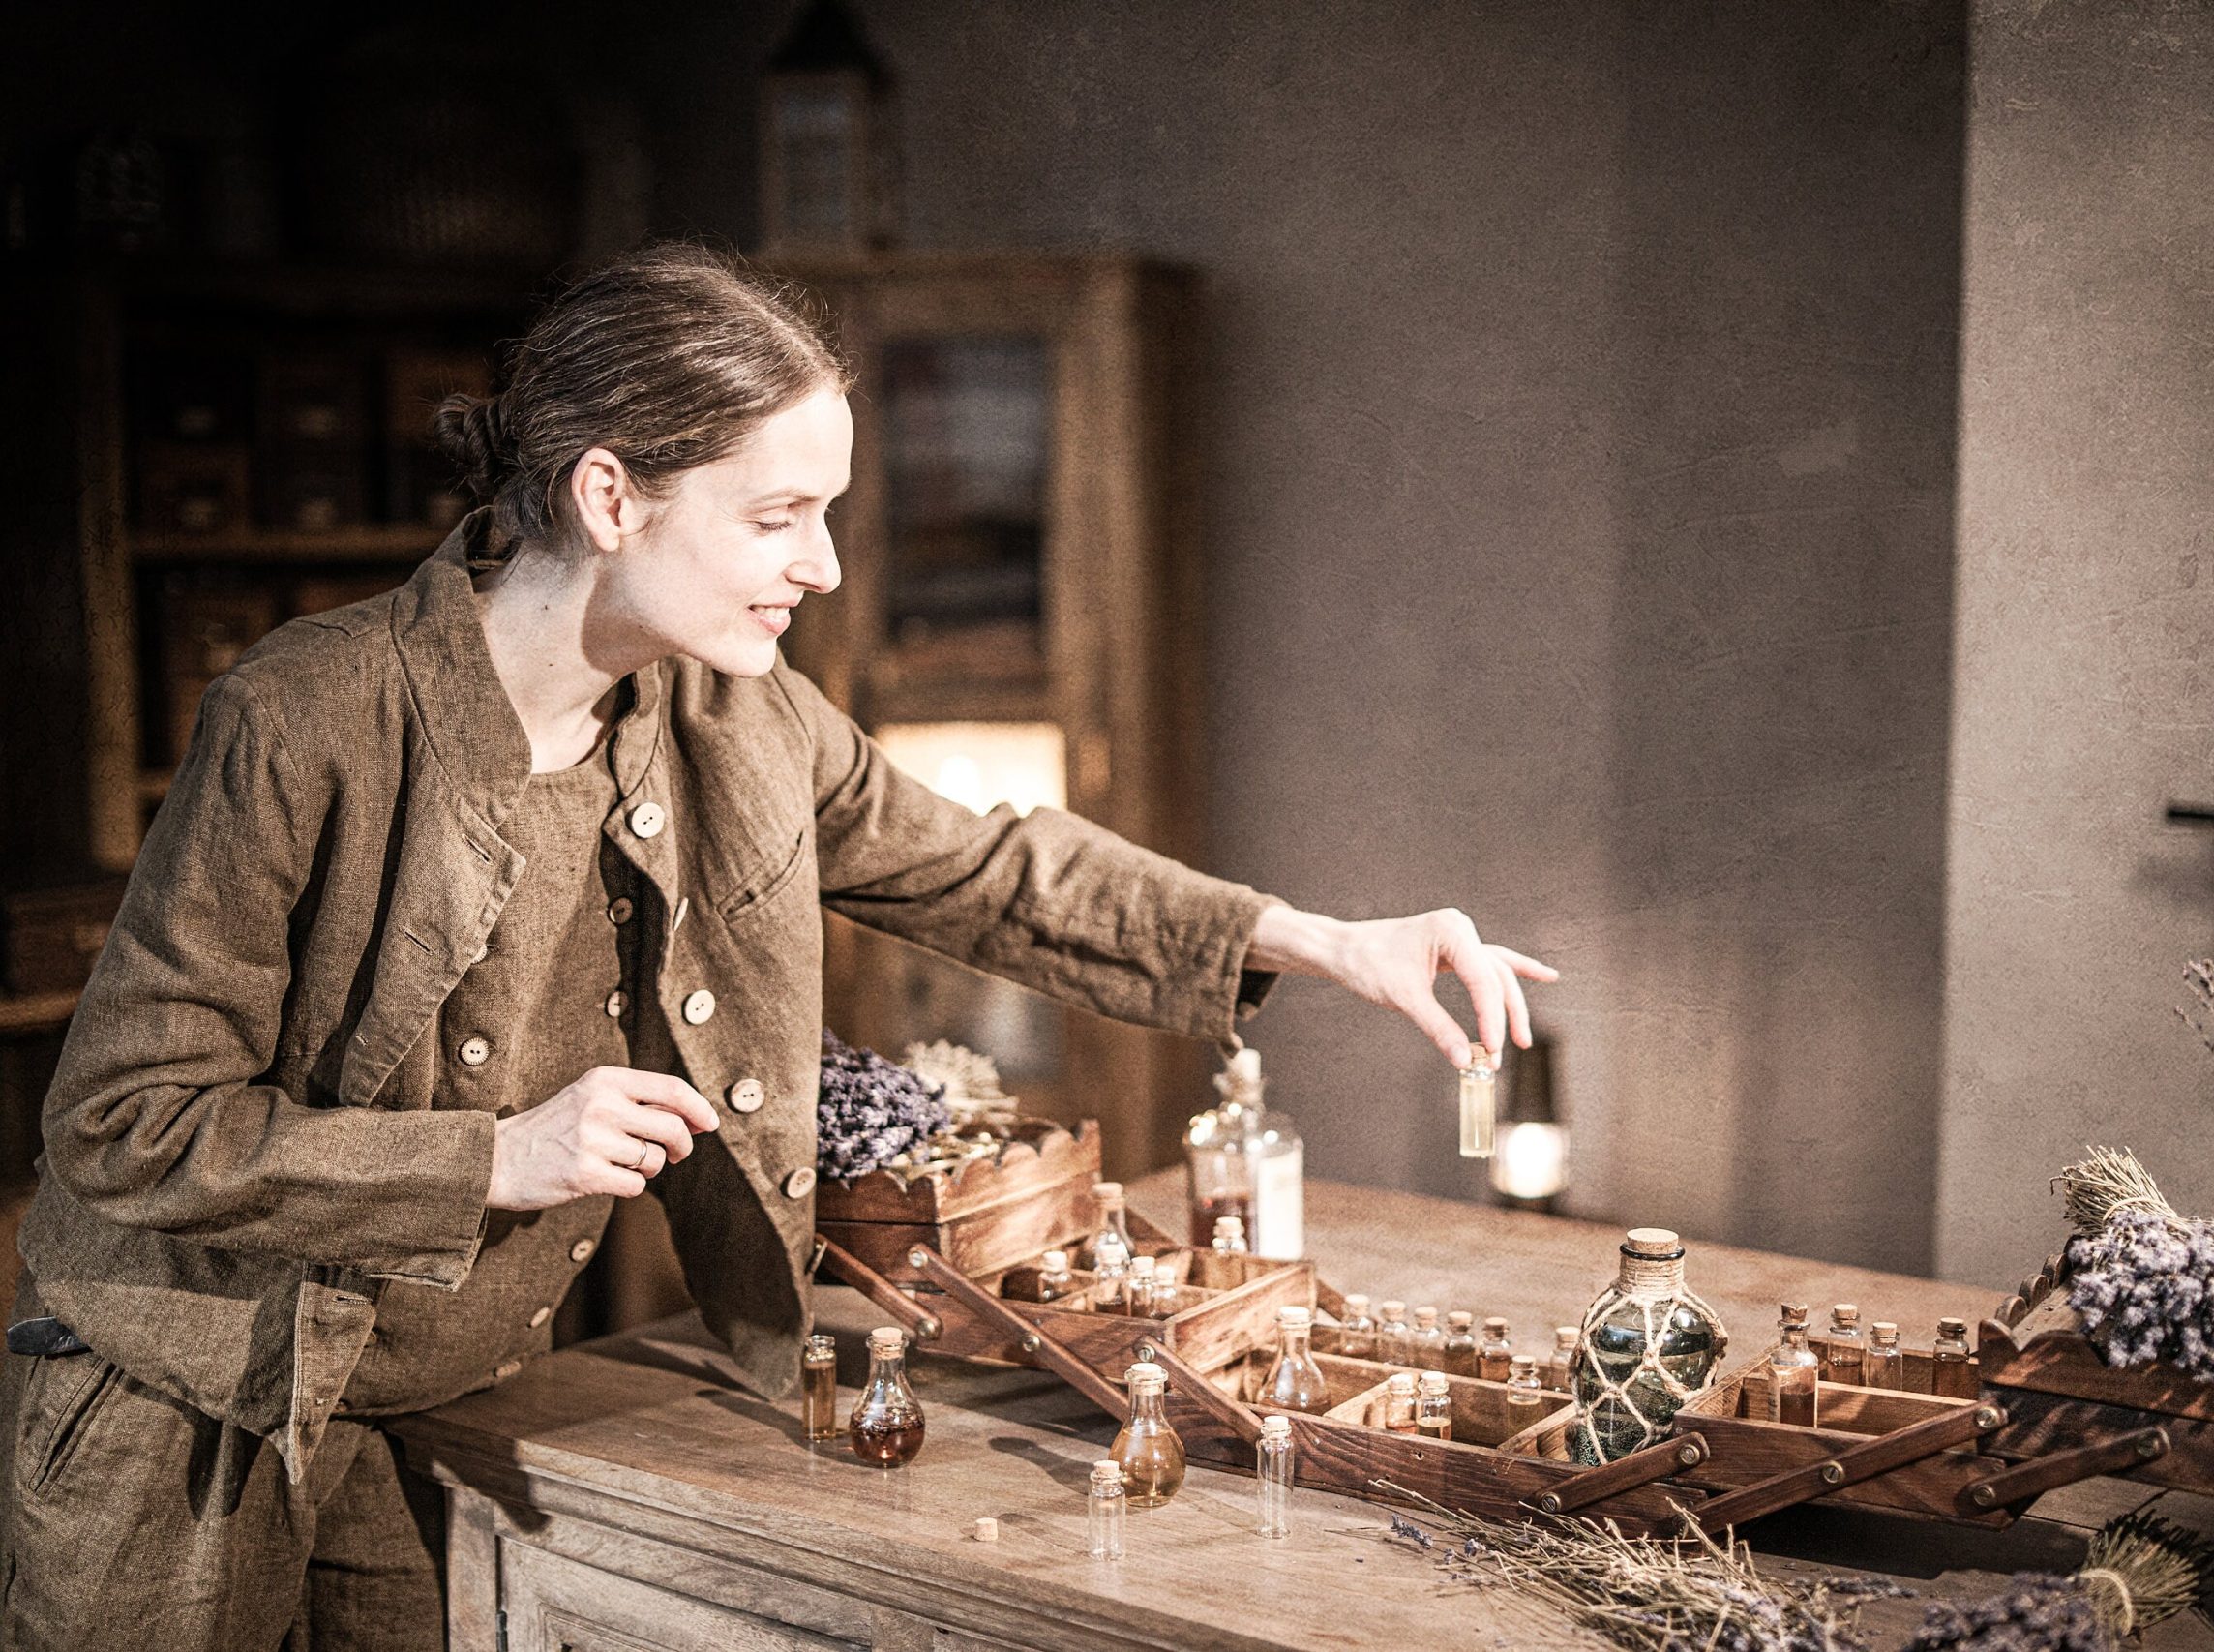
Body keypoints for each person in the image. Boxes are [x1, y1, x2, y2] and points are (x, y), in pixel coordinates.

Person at [0, 244, 1553, 1648]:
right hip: (177, 1421)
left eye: (829, 513)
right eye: (776, 516)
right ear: (611, 499)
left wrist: (1326, 940)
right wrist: (493, 1157)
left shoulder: (741, 715)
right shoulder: (304, 717)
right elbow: (121, 1122)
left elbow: (990, 872)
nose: (823, 566)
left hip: (427, 1413)